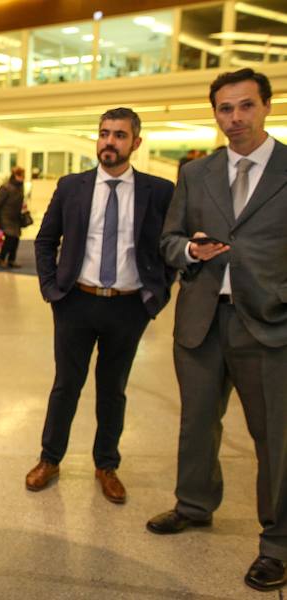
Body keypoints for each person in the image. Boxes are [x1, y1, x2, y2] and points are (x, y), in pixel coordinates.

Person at [148, 68, 287, 593]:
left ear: (267, 106)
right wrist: (189, 250)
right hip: (204, 317)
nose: (235, 119)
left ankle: (277, 544)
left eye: (246, 106)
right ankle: (194, 505)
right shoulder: (198, 173)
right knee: (197, 422)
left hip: (269, 323)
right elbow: (169, 240)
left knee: (275, 437)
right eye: (225, 109)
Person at [28, 107, 175, 504]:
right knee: (66, 386)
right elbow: (45, 241)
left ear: (136, 143)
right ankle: (50, 458)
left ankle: (106, 465)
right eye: (104, 133)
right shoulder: (72, 186)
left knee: (113, 390)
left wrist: (155, 297)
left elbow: (168, 249)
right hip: (76, 301)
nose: (109, 141)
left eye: (120, 135)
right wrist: (50, 289)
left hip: (129, 307)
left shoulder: (158, 191)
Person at [0, 165, 26, 268]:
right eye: (20, 175)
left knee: (16, 239)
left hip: (15, 218)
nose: (22, 177)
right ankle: (1, 258)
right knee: (10, 238)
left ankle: (11, 260)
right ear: (15, 175)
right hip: (5, 217)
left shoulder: (20, 187)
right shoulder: (5, 187)